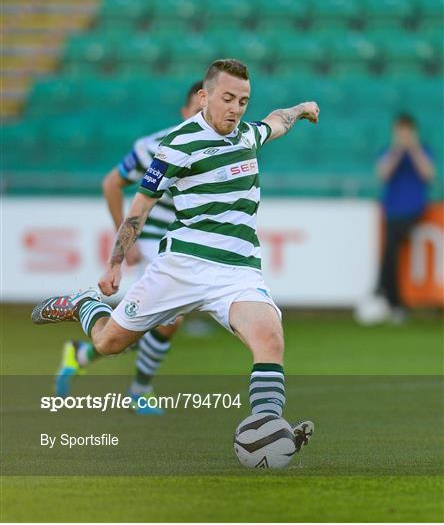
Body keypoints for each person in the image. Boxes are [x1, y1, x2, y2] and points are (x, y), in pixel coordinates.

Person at [32, 59, 320, 452]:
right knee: (109, 344)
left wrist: (301, 109)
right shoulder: (176, 145)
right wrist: (115, 262)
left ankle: (268, 428)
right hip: (179, 268)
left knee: (269, 338)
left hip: (238, 272)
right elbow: (139, 209)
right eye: (227, 98)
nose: (235, 108)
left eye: (243, 101)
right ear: (204, 97)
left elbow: (277, 121)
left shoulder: (248, 135)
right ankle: (85, 305)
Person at [56, 81, 203, 415]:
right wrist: (124, 237)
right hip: (153, 239)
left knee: (149, 320)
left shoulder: (220, 149)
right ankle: (139, 390)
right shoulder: (153, 146)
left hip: (186, 243)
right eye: (197, 111)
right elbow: (111, 182)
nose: (202, 119)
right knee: (171, 318)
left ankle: (81, 353)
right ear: (184, 113)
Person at [356, 114, 435, 325]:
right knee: (391, 251)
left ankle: (383, 291)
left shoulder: (422, 151)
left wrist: (414, 149)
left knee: (391, 249)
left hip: (412, 210)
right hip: (392, 212)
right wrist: (398, 150)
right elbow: (383, 174)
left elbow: (428, 174)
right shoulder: (389, 152)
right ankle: (393, 301)